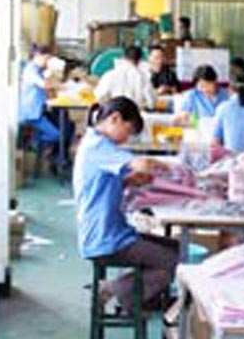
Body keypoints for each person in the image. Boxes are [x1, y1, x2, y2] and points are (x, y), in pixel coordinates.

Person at [73, 96, 178, 312]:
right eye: (128, 131)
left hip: (114, 231)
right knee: (176, 260)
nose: (127, 138)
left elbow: (101, 184)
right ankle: (117, 290)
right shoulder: (97, 146)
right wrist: (172, 167)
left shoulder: (96, 143)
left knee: (178, 248)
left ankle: (142, 298)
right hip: (105, 239)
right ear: (115, 119)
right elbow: (141, 163)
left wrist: (129, 181)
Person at [19, 44, 74, 166]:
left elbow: (47, 85)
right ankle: (34, 142)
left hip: (40, 109)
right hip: (32, 113)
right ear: (38, 56)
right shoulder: (31, 70)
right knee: (57, 135)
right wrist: (62, 86)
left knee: (68, 125)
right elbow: (44, 85)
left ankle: (59, 156)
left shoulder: (38, 70)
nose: (47, 61)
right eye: (47, 58)